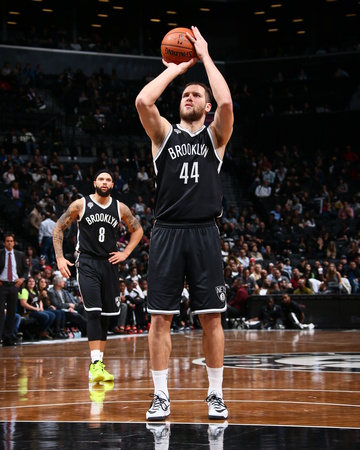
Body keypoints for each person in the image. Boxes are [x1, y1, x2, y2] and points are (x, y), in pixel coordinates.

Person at [135, 26, 233, 421]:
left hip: (205, 232)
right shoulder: (163, 136)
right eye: (185, 95)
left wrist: (205, 58)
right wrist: (177, 69)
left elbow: (226, 104)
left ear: (205, 107)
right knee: (159, 318)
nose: (188, 97)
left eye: (196, 95)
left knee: (211, 317)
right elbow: (144, 100)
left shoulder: (215, 137)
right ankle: (160, 396)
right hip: (167, 232)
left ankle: (215, 394)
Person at [52, 169, 143, 384]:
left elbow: (137, 230)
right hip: (87, 262)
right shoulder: (80, 205)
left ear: (113, 184)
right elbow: (58, 227)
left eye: (108, 179)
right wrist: (59, 258)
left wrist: (126, 253)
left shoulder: (120, 207)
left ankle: (99, 364)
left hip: (110, 263)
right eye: (101, 179)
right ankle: (94, 364)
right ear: (94, 182)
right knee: (93, 312)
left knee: (105, 316)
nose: (104, 182)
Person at [0, 233, 29, 346]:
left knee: (12, 312)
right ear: (4, 243)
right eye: (7, 241)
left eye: (11, 241)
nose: (9, 243)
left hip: (15, 285)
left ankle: (8, 337)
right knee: (1, 312)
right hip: (2, 285)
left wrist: (22, 278)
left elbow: (26, 268)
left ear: (14, 242)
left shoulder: (19, 254)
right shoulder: (1, 253)